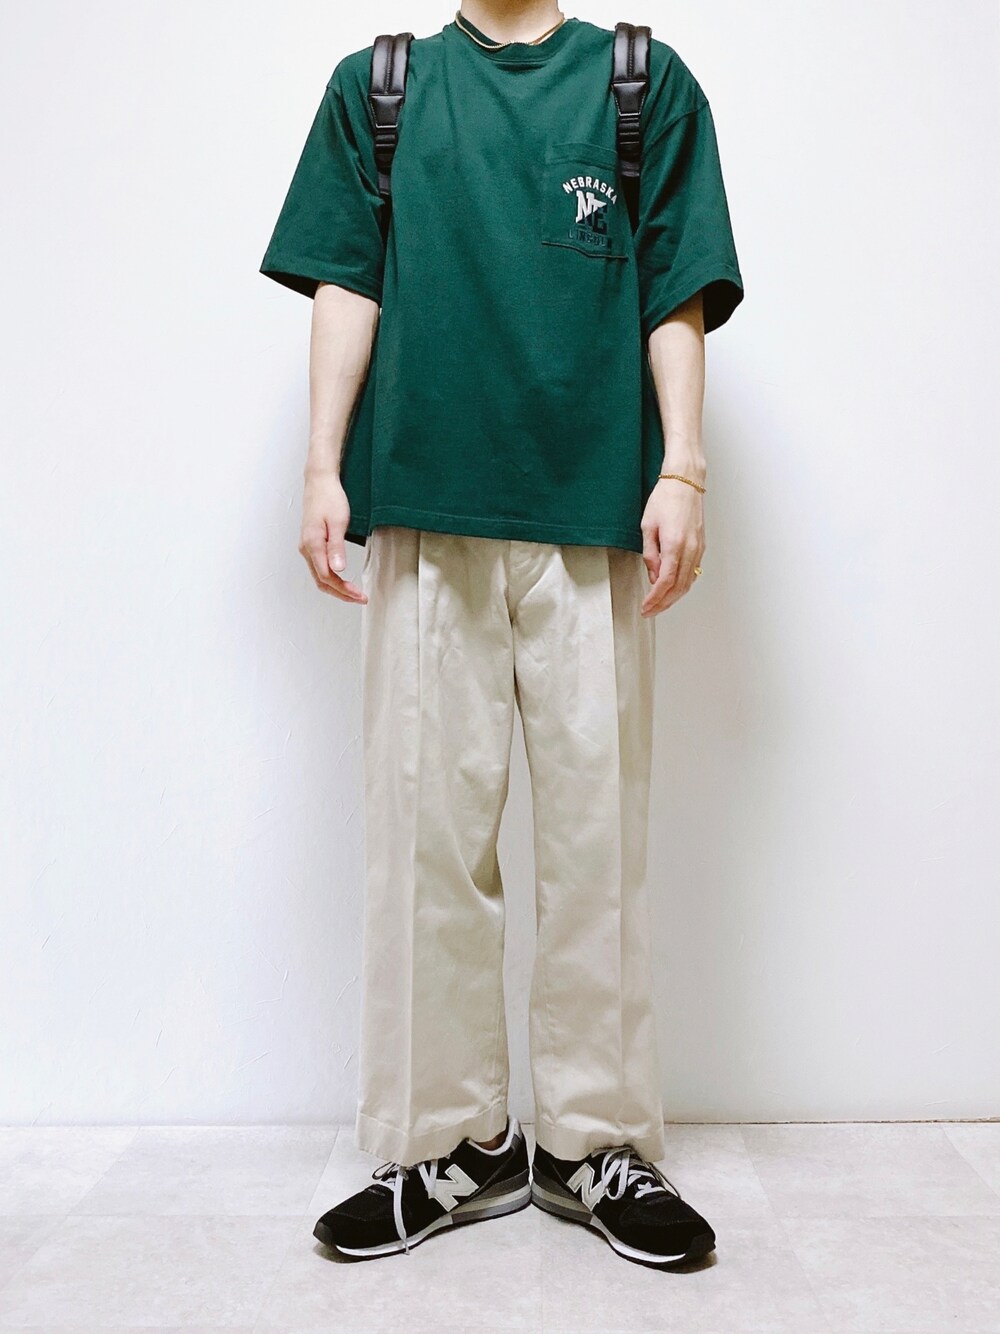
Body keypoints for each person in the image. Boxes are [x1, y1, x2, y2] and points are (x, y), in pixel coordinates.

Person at [259, 0, 743, 1268]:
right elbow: (345, 279)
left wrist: (682, 465)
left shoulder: (640, 82)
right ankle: (449, 1144)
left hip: (592, 514)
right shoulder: (382, 87)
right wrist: (321, 465)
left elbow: (677, 285)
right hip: (425, 502)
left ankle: (592, 1144)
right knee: (424, 842)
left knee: (595, 844)